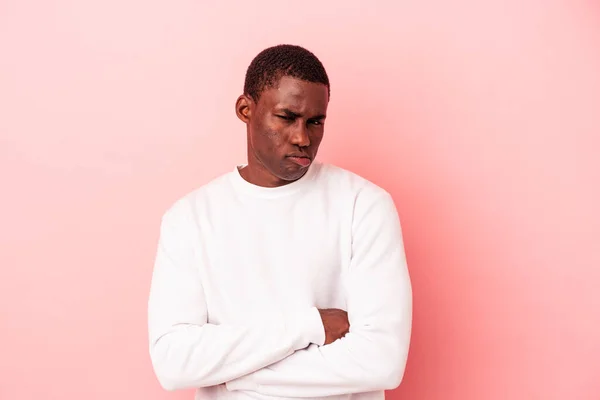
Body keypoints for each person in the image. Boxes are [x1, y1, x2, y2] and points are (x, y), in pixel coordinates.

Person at [147, 44, 412, 399]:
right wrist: (309, 325)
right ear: (246, 109)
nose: (303, 138)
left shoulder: (364, 206)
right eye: (286, 117)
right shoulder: (189, 219)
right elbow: (173, 362)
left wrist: (240, 376)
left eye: (315, 122)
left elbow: (382, 361)